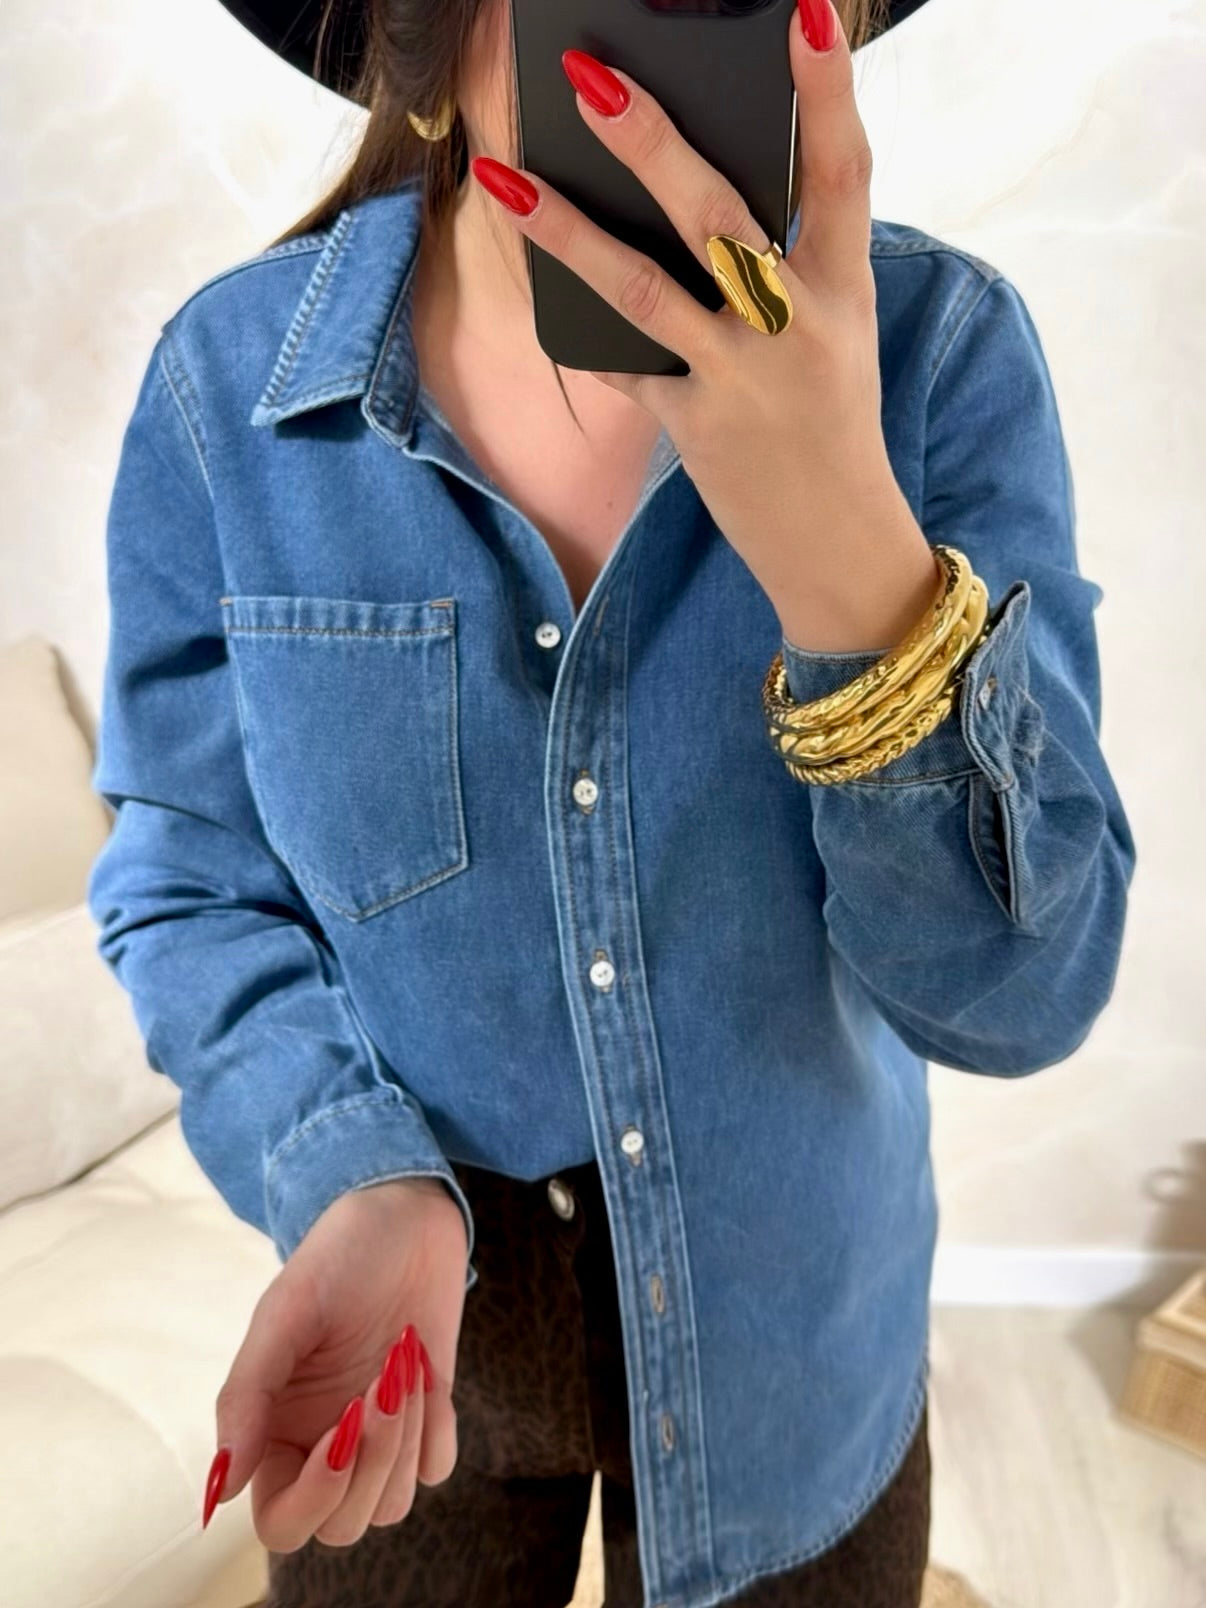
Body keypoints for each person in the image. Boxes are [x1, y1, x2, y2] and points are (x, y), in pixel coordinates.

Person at [86, 0, 1136, 1604]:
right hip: (412, 1343)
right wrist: (349, 1174)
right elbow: (192, 879)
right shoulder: (229, 395)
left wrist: (857, 574)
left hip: (796, 1343)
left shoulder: (940, 359)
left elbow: (1017, 1003)